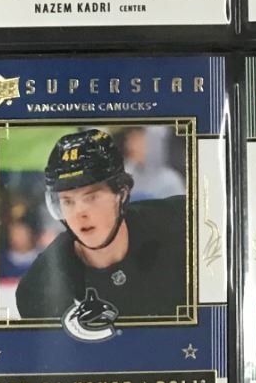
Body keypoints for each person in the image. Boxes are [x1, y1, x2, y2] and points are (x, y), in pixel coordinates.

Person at [14, 127, 188, 327]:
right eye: (68, 202)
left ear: (122, 193)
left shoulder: (183, 224)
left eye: (91, 197)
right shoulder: (39, 287)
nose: (79, 213)